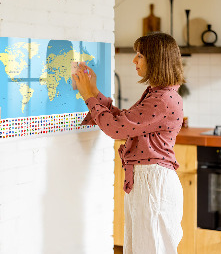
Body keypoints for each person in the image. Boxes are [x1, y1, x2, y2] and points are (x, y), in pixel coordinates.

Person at [72, 32, 185, 254]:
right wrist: (94, 92)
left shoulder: (162, 99)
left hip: (153, 183)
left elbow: (116, 129)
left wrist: (88, 96)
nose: (134, 60)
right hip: (147, 181)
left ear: (156, 59)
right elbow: (124, 121)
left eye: (140, 55)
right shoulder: (158, 94)